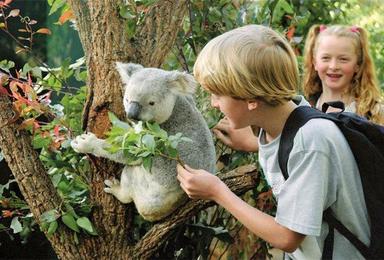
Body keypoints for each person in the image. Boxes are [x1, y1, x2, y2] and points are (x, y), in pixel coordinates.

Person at [176, 24, 370, 259]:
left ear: (250, 99)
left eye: (217, 94)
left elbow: (287, 238)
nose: (213, 103)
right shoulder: (287, 121)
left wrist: (218, 191)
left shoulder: (311, 140)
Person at [303, 24, 384, 124]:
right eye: (326, 58)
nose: (333, 66)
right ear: (314, 62)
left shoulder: (375, 113)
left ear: (357, 64)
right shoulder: (304, 109)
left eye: (343, 59)